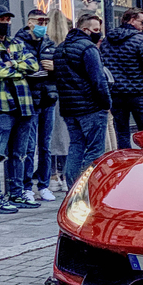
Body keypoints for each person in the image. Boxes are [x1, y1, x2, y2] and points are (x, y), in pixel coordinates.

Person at [0, 5, 41, 213]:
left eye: (8, 19)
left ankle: (16, 192)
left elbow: (34, 65)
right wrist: (18, 65)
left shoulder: (16, 42)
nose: (5, 22)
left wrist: (15, 65)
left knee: (20, 153)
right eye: (2, 19)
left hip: (23, 105)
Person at [54, 13, 111, 185]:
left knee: (76, 146)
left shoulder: (60, 49)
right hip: (91, 107)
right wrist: (106, 103)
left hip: (69, 108)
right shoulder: (88, 49)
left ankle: (72, 188)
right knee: (95, 150)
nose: (98, 33)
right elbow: (98, 80)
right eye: (95, 30)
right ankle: (87, 187)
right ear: (85, 30)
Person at [14, 9, 58, 202]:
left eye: (46, 21)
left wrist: (55, 68)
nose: (43, 24)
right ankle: (26, 186)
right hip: (29, 100)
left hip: (48, 98)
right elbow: (18, 68)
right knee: (29, 146)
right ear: (30, 22)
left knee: (45, 145)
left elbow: (59, 70)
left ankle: (44, 184)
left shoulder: (49, 44)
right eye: (40, 21)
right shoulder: (19, 43)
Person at [101, 7, 143, 149]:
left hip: (116, 94)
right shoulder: (141, 40)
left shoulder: (108, 39)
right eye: (141, 22)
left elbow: (103, 65)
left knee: (122, 131)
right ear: (132, 20)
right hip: (139, 93)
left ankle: (125, 162)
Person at [46, 9, 70, 192]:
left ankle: (53, 174)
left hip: (47, 94)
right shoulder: (69, 45)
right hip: (66, 94)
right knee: (65, 135)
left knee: (51, 135)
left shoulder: (44, 45)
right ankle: (63, 173)